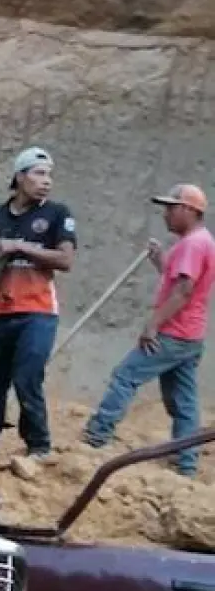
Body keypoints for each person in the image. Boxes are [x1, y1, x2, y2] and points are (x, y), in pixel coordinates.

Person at [83, 184, 214, 476]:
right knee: (184, 400)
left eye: (171, 208)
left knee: (125, 376)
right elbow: (179, 281)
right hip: (190, 334)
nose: (165, 214)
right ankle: (186, 463)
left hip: (173, 332)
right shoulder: (201, 241)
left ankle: (96, 436)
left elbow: (182, 291)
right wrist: (161, 261)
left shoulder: (192, 244)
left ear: (189, 210)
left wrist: (152, 325)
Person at [0, 146, 76, 458]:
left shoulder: (57, 213)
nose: (47, 181)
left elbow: (65, 259)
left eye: (49, 175)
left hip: (38, 312)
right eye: (39, 173)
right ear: (20, 176)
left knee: (27, 378)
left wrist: (21, 247)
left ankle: (38, 444)